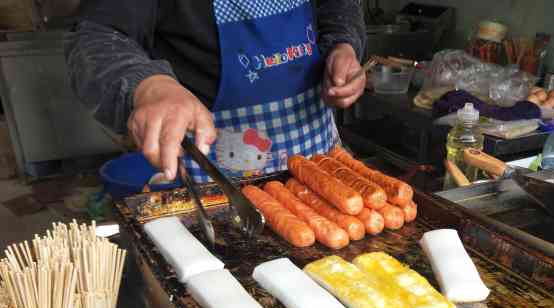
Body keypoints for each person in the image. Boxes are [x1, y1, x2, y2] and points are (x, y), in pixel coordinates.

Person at [66, 1, 367, 182]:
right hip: (217, 175)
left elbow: (339, 5)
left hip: (319, 155)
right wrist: (151, 86)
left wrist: (344, 44)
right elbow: (99, 37)